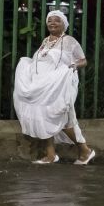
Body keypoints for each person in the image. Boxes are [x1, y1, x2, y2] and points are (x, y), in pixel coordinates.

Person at [13, 10, 96, 164]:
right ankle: (50, 155)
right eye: (50, 20)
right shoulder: (45, 41)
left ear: (63, 24)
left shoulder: (69, 41)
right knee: (43, 116)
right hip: (43, 85)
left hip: (60, 84)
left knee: (60, 115)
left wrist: (74, 65)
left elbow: (83, 60)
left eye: (56, 20)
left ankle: (85, 150)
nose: (52, 23)